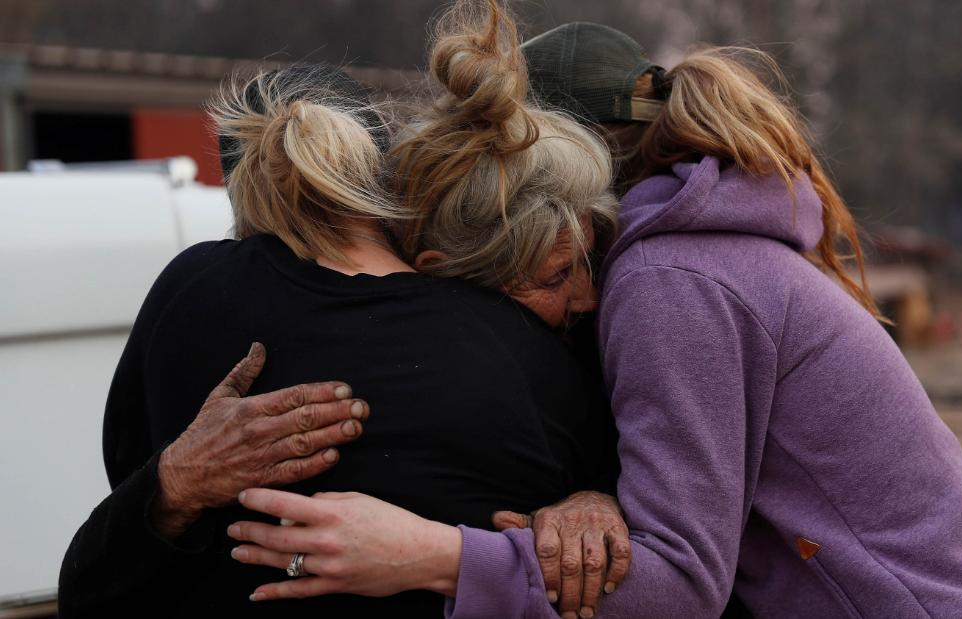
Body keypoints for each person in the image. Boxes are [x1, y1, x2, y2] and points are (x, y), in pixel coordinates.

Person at [229, 16, 962, 619]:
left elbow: (682, 581)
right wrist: (596, 494)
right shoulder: (697, 251)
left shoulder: (671, 280)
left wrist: (431, 554)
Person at [57, 63, 621, 618]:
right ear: (385, 172)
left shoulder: (193, 293)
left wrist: (177, 480)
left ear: (239, 196)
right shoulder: (516, 343)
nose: (584, 298)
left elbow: (95, 580)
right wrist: (596, 497)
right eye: (557, 275)